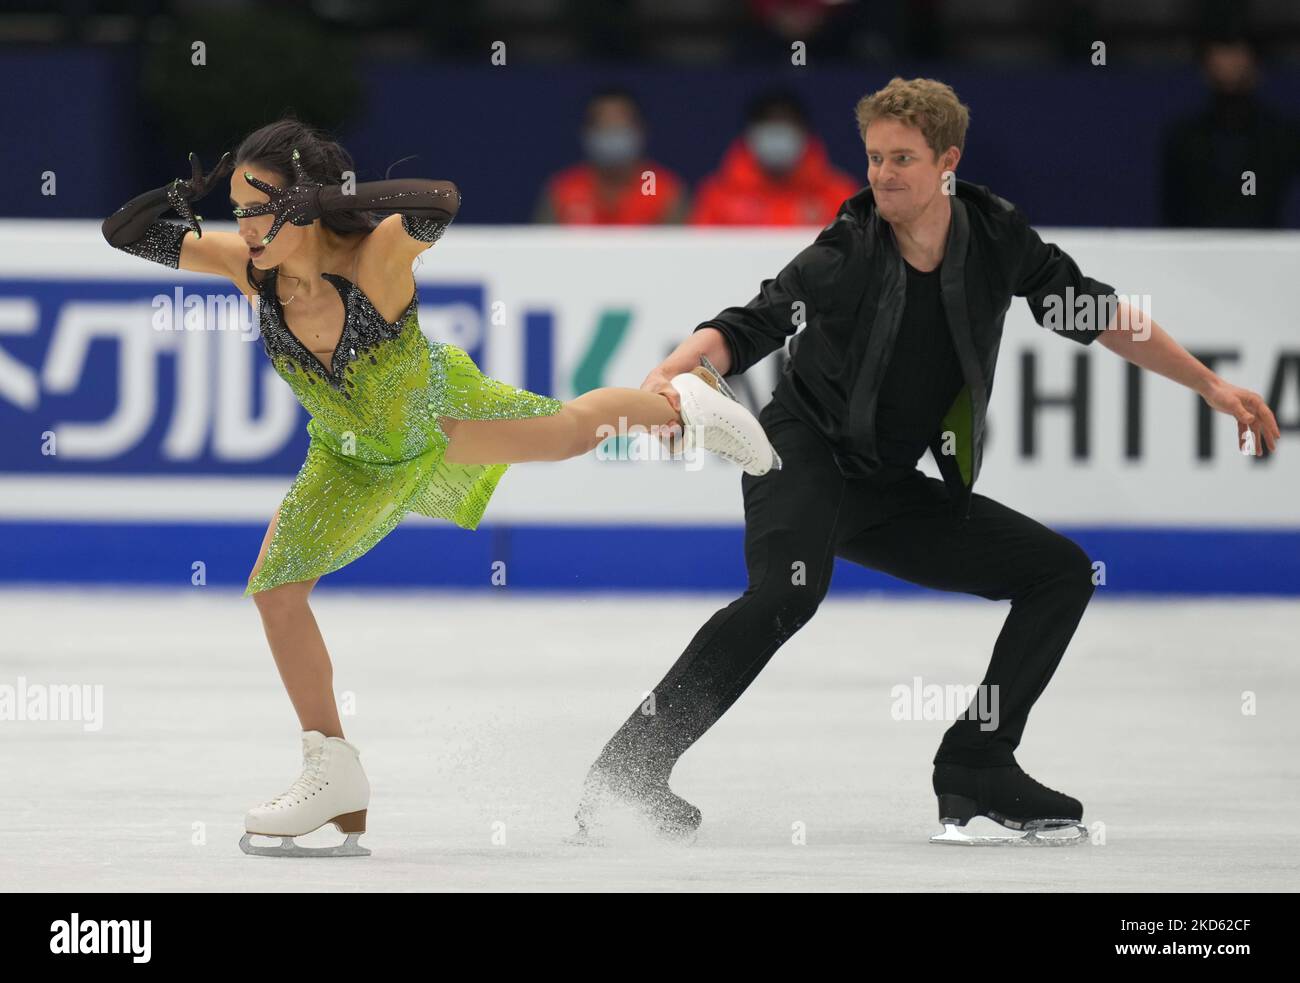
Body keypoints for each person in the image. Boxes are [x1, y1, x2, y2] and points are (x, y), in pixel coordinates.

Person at [576, 76, 1281, 846]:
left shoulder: (998, 238)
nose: (882, 175)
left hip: (884, 486)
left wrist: (1209, 383)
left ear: (949, 160)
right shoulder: (846, 251)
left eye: (902, 159)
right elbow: (745, 327)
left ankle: (977, 764)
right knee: (786, 595)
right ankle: (628, 769)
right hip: (800, 456)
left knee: (1059, 573)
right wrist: (670, 372)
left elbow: (1096, 311)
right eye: (875, 157)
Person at [102, 117, 780, 857]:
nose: (246, 224)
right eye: (237, 208)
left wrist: (329, 199)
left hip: (435, 417)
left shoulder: (375, 261)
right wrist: (179, 194)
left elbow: (440, 199)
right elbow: (125, 233)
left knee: (567, 432)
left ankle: (681, 402)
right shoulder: (251, 266)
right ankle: (333, 774)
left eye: (260, 205)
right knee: (276, 588)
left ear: (304, 202)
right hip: (347, 457)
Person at [1162, 34, 1300, 228]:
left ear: (1256, 67)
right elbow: (1171, 212)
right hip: (1197, 248)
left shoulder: (1282, 136)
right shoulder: (1183, 139)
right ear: (1205, 68)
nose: (1230, 64)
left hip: (1266, 248)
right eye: (1221, 55)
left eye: (1237, 54)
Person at [688, 89, 858, 226]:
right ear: (750, 134)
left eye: (786, 124)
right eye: (769, 124)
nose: (777, 134)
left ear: (804, 133)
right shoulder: (717, 195)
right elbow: (701, 256)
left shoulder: (839, 194)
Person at [534, 87, 688, 224]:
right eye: (603, 125)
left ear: (640, 130)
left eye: (620, 125)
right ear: (587, 132)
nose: (612, 132)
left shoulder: (662, 189)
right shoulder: (563, 191)